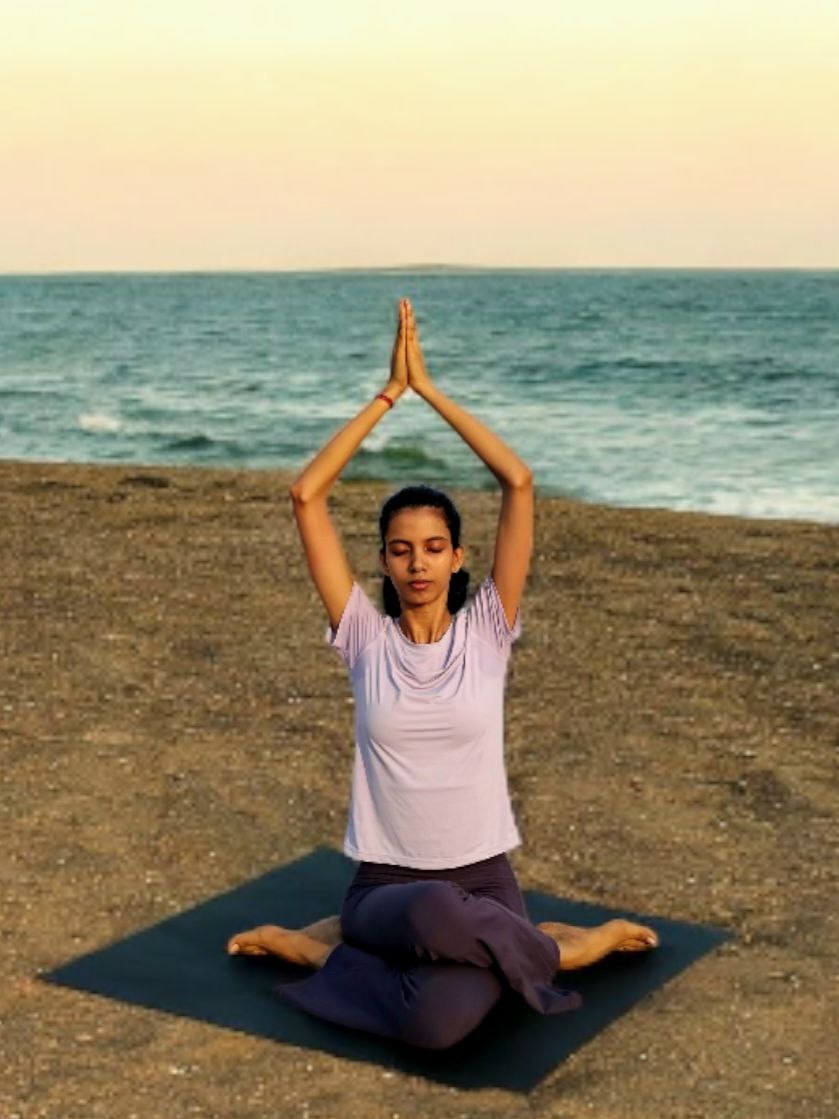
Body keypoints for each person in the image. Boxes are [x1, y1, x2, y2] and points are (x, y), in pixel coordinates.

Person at [226, 298, 659, 1050]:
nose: (417, 563)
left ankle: (327, 952)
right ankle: (558, 947)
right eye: (400, 550)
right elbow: (305, 495)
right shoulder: (363, 637)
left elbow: (518, 482)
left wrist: (430, 390)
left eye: (433, 548)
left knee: (437, 1024)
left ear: (457, 558)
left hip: (482, 882)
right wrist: (387, 396)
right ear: (384, 561)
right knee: (432, 913)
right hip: (386, 888)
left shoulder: (487, 631)